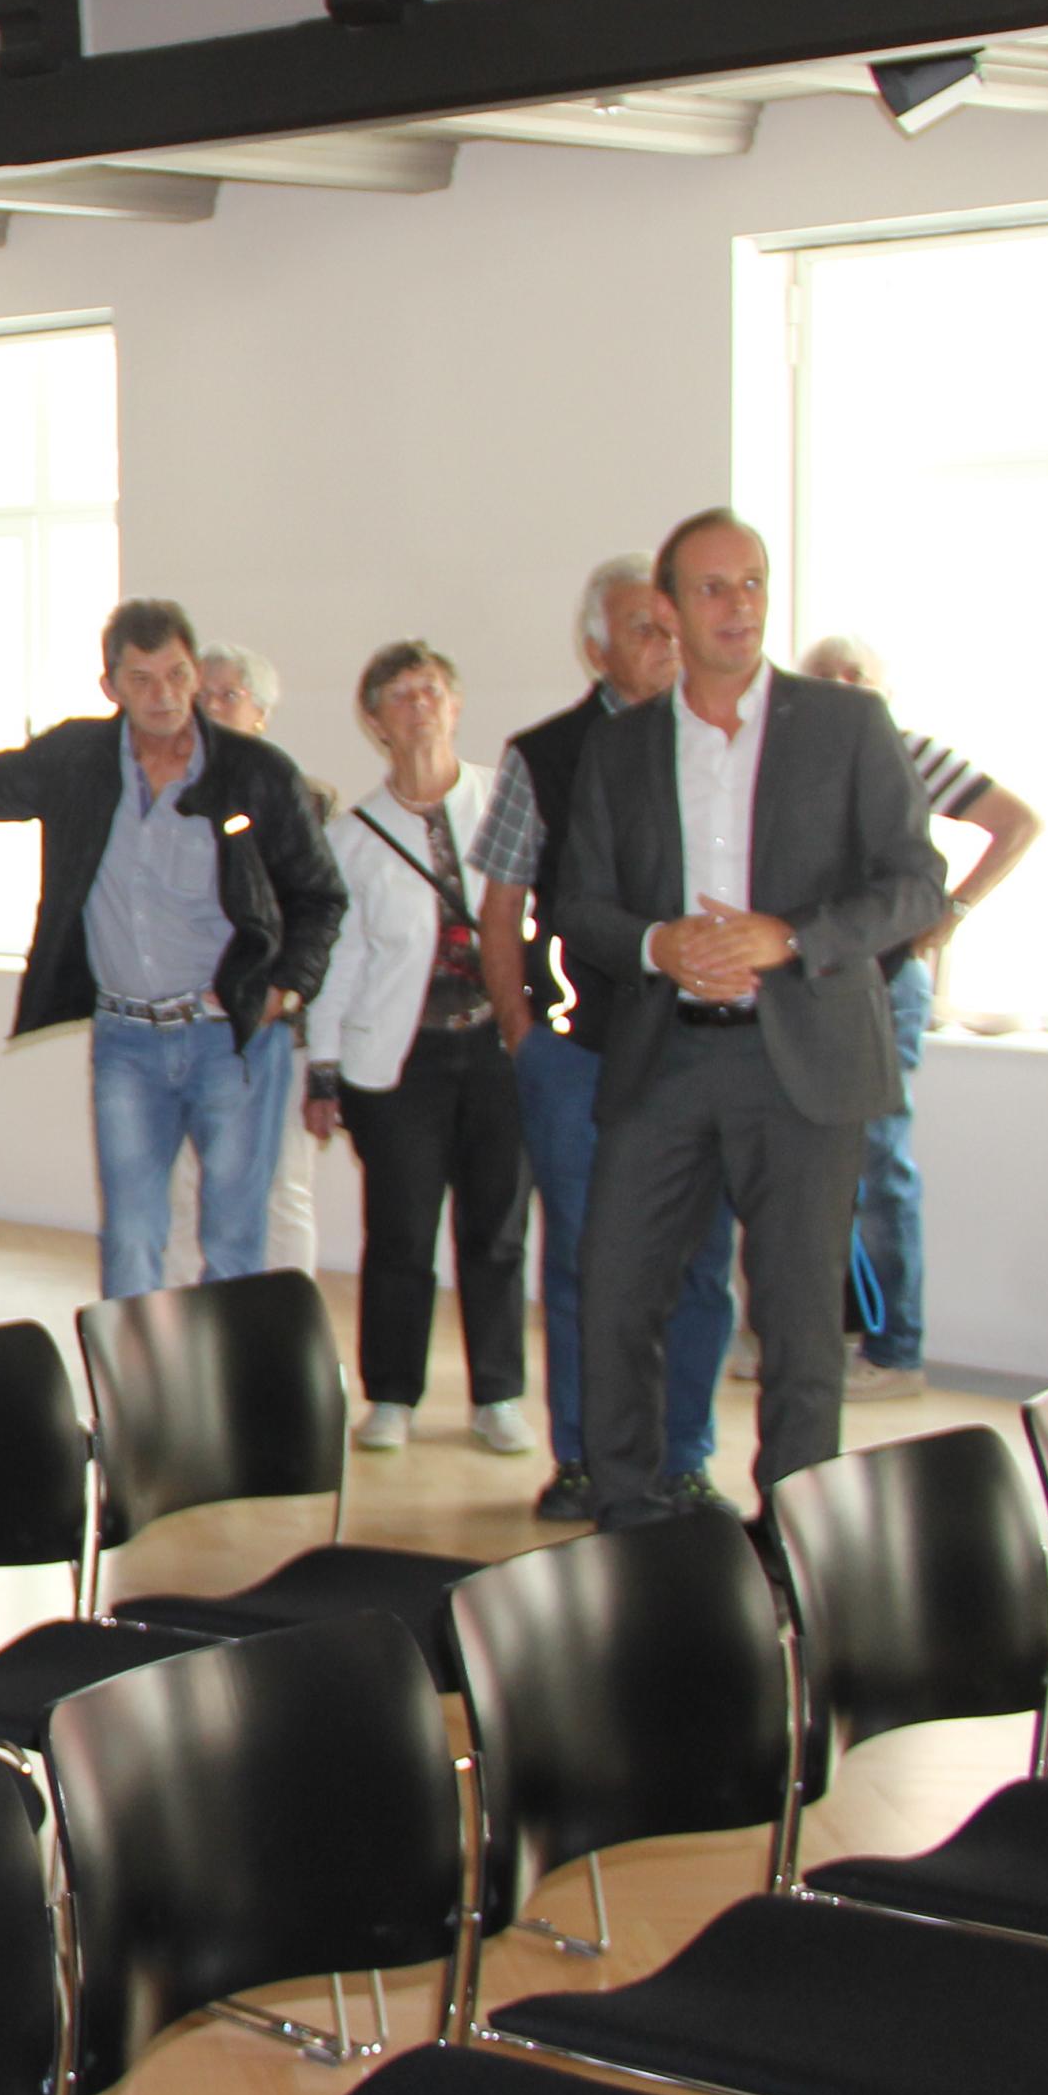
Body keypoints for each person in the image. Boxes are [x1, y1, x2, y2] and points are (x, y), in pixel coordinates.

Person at [547, 512, 943, 1529]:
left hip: (802, 1058)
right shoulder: (622, 746)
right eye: (713, 588)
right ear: (669, 610)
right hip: (665, 1058)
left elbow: (915, 884)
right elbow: (577, 904)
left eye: (753, 583)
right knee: (616, 1293)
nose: (739, 606)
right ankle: (628, 1519)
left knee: (801, 1322)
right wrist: (657, 945)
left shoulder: (845, 725)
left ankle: (796, 1541)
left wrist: (790, 936)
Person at [0, 599, 346, 1298]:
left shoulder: (257, 772)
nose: (164, 695)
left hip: (232, 1041)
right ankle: (130, 1371)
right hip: (128, 1041)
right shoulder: (78, 759)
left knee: (234, 1239)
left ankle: (231, 1372)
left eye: (177, 675)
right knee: (131, 1236)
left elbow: (320, 894)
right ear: (110, 686)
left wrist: (285, 989)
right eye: (142, 679)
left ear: (195, 674)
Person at [471, 558, 739, 1523]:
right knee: (586, 1260)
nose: (666, 645)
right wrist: (520, 1030)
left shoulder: (721, 744)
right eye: (642, 630)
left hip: (700, 1051)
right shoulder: (544, 755)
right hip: (577, 1052)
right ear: (595, 649)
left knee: (699, 1262)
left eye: (670, 626)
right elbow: (500, 907)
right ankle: (584, 1455)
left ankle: (683, 1456)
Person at [793, 634, 1041, 1400]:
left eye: (855, 676)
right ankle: (822, 1336)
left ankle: (895, 1351)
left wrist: (953, 912)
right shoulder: (795, 759)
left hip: (886, 983)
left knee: (878, 1163)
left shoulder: (911, 753)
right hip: (809, 982)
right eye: (824, 676)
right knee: (807, 1161)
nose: (840, 685)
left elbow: (1018, 822)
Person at [303, 642, 531, 1455]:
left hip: (500, 1048)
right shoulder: (353, 836)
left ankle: (498, 1394)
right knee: (400, 1233)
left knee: (496, 1230)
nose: (419, 706)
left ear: (456, 705)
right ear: (375, 722)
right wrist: (323, 1069)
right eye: (399, 696)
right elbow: (338, 961)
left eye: (431, 690)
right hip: (400, 1062)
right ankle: (392, 1395)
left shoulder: (507, 801)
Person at [173, 645, 329, 1280]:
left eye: (228, 695)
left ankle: (287, 1324)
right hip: (179, 1026)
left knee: (281, 1187)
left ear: (261, 714)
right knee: (185, 1186)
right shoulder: (166, 796)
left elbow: (316, 914)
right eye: (202, 694)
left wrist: (278, 993)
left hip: (269, 1027)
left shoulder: (304, 801)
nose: (211, 706)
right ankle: (185, 1323)